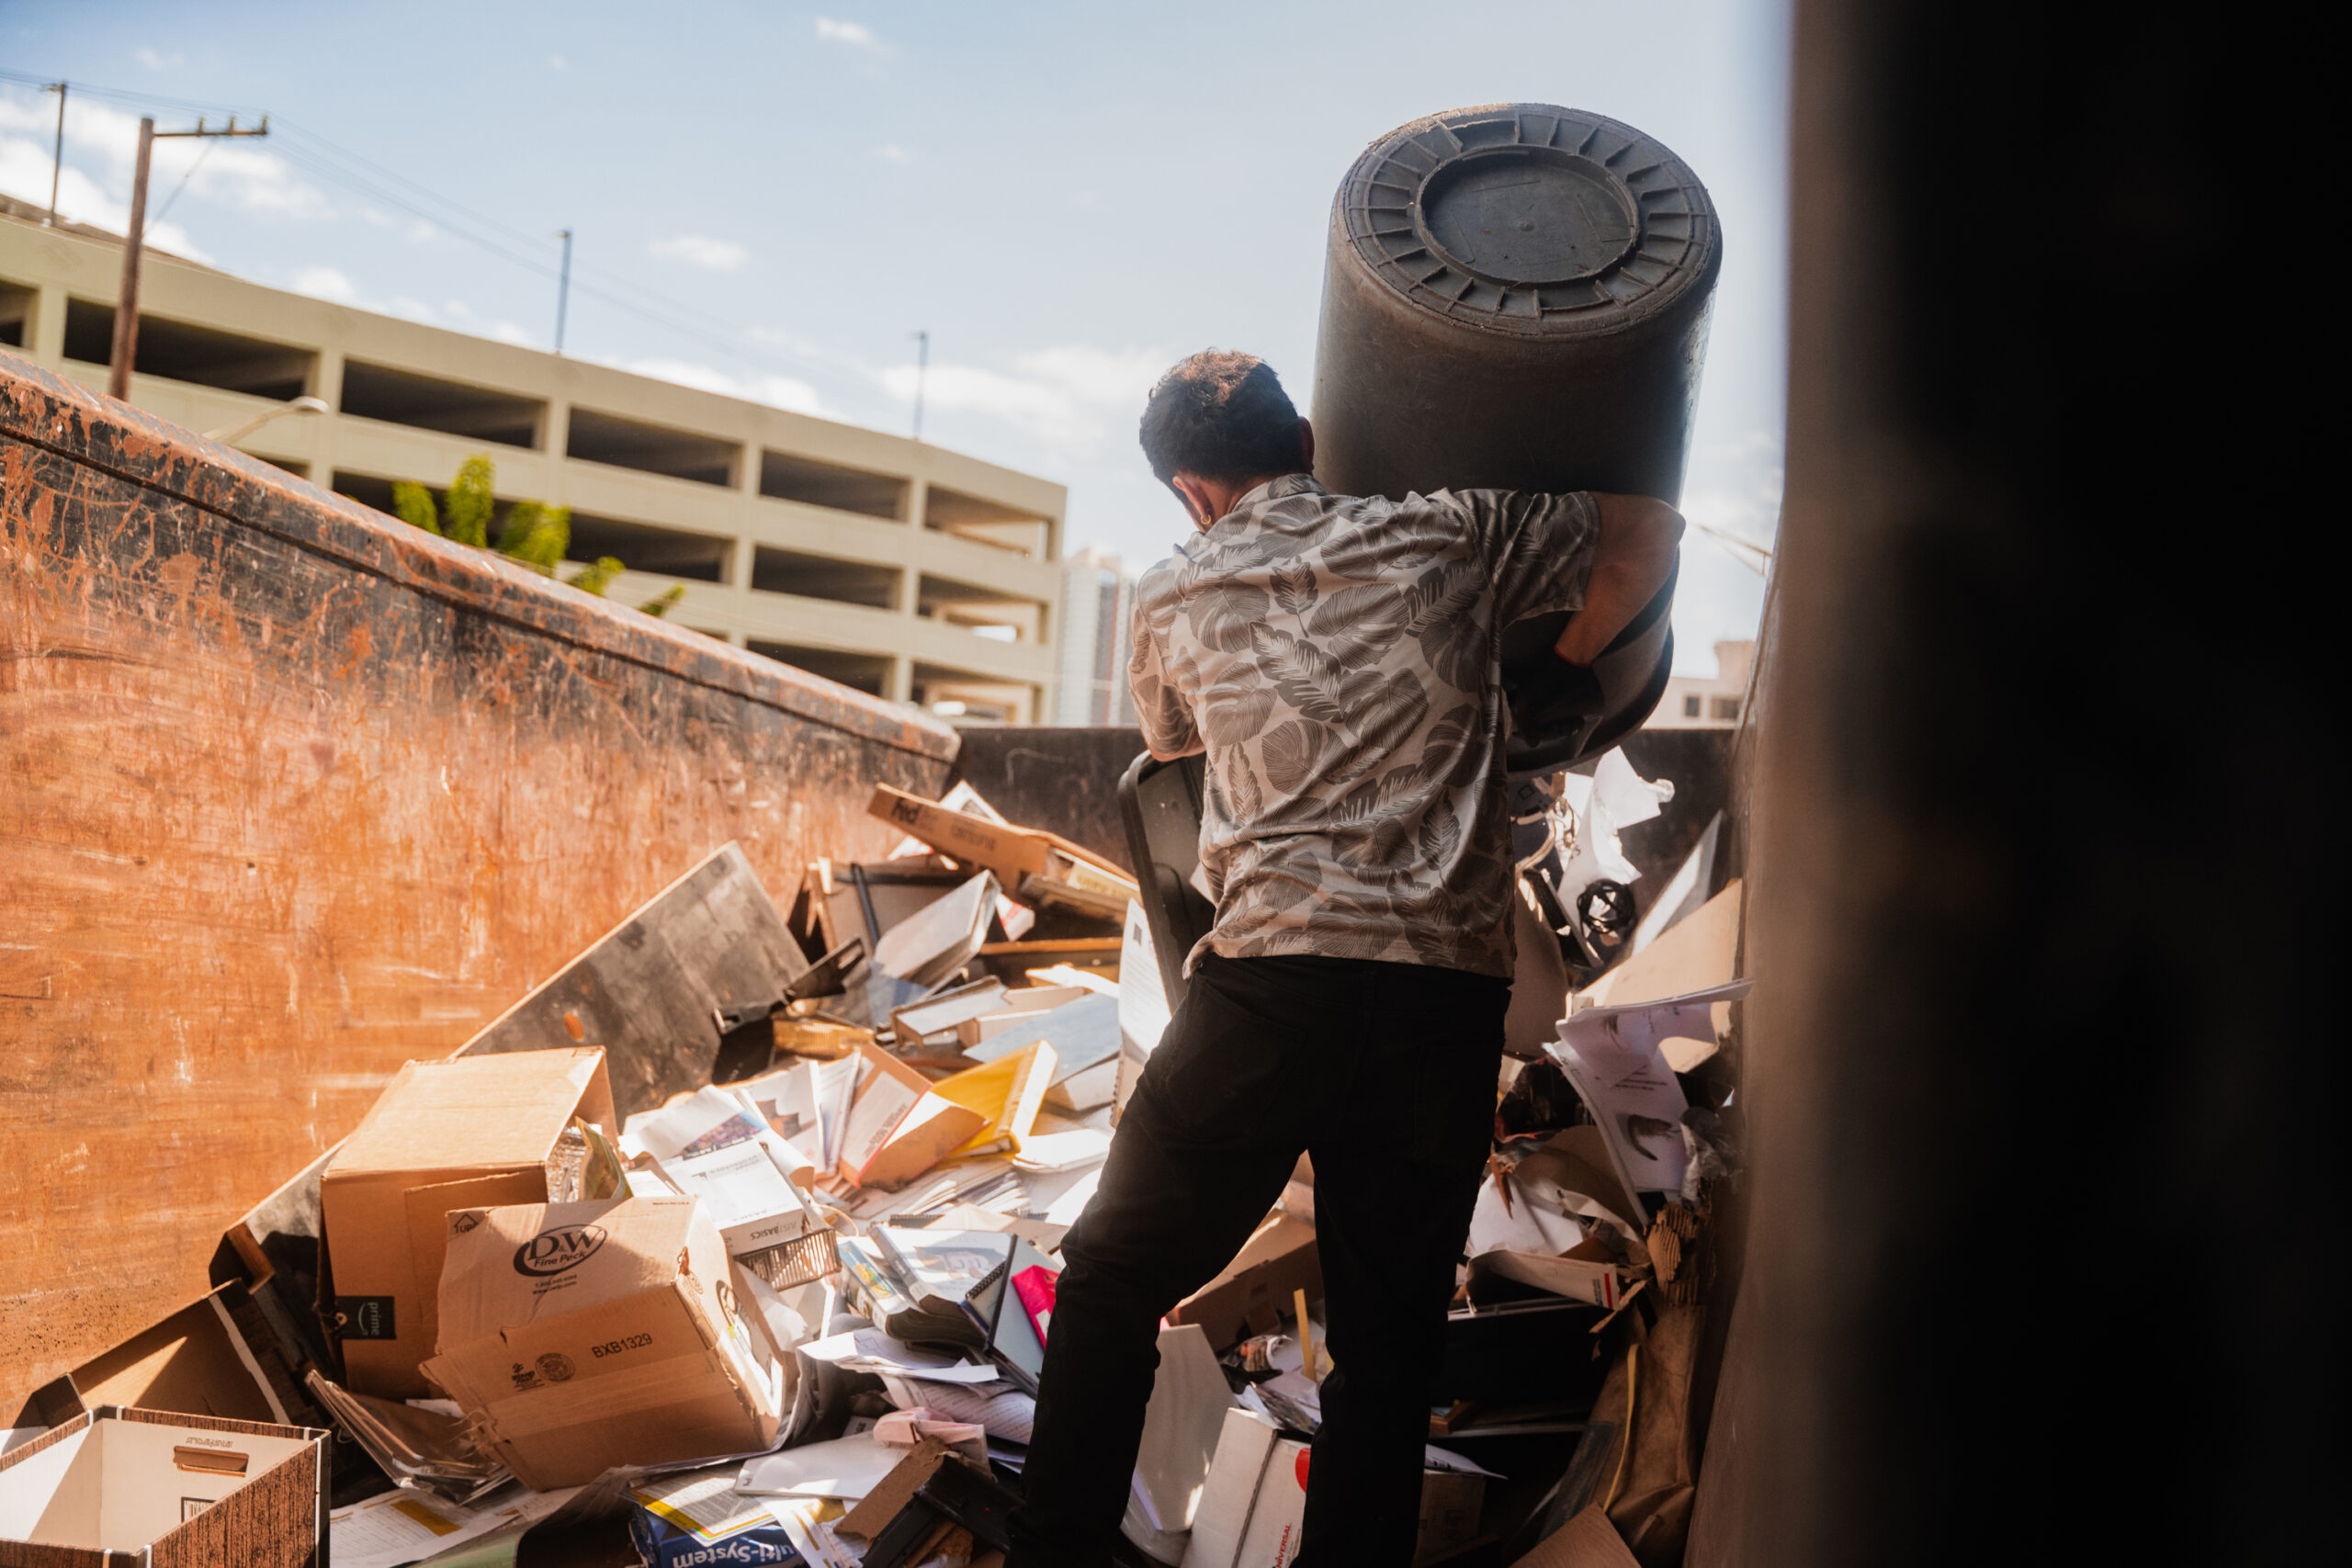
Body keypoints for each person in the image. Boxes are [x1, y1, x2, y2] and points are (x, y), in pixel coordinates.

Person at [1004, 351, 1683, 1567]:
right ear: (1308, 436)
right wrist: (1560, 679)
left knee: (1111, 1278)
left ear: (1191, 492)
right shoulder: (1453, 534)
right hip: (1442, 1000)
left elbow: (1175, 761)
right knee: (1390, 1340)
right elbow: (1647, 531)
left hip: (1274, 983)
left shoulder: (1169, 597)